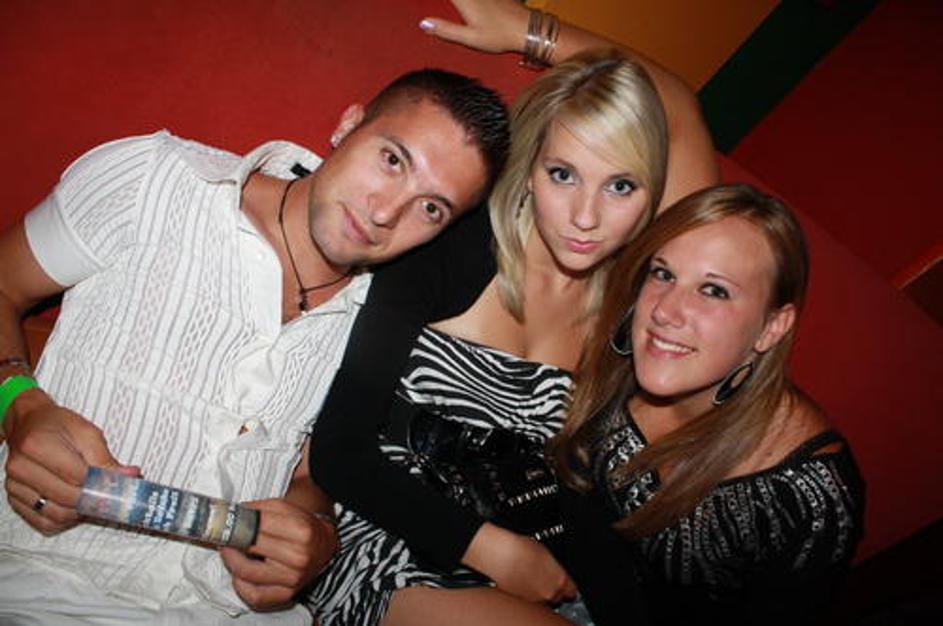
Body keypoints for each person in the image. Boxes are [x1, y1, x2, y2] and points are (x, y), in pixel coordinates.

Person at [0, 67, 509, 624]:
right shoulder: (154, 180)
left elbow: (310, 474)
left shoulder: (387, 318)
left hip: (225, 610)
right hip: (38, 575)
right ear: (348, 125)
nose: (385, 213)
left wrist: (315, 536)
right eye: (392, 159)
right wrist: (20, 404)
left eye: (431, 207)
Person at [306, 2, 718, 625]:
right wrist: (488, 549)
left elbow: (677, 107)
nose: (585, 217)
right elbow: (339, 450)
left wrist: (533, 33)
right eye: (563, 174)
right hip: (389, 533)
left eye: (621, 186)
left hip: (538, 546)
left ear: (652, 194)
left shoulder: (636, 298)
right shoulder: (450, 246)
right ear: (528, 171)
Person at [553, 184, 865, 625]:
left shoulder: (807, 500)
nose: (665, 311)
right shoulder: (620, 357)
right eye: (663, 274)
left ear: (772, 327)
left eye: (714, 290)